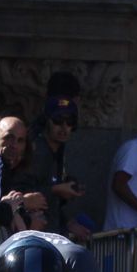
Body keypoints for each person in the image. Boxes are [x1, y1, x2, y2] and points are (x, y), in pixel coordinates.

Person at [22, 97, 89, 240]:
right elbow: (23, 192)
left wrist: (68, 222)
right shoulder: (38, 151)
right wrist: (56, 189)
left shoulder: (58, 150)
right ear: (47, 122)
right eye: (58, 121)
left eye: (69, 122)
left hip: (52, 231)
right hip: (34, 234)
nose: (64, 127)